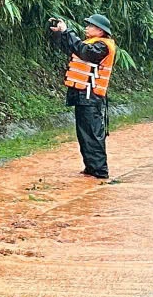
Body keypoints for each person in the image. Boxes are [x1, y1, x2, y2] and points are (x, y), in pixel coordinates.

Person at [49, 13, 116, 179]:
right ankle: (91, 168)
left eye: (90, 26)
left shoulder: (102, 46)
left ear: (100, 31)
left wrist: (68, 31)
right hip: (82, 94)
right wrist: (60, 33)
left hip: (90, 95)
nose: (86, 28)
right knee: (84, 133)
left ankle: (100, 171)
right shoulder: (89, 43)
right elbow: (73, 48)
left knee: (92, 133)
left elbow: (84, 52)